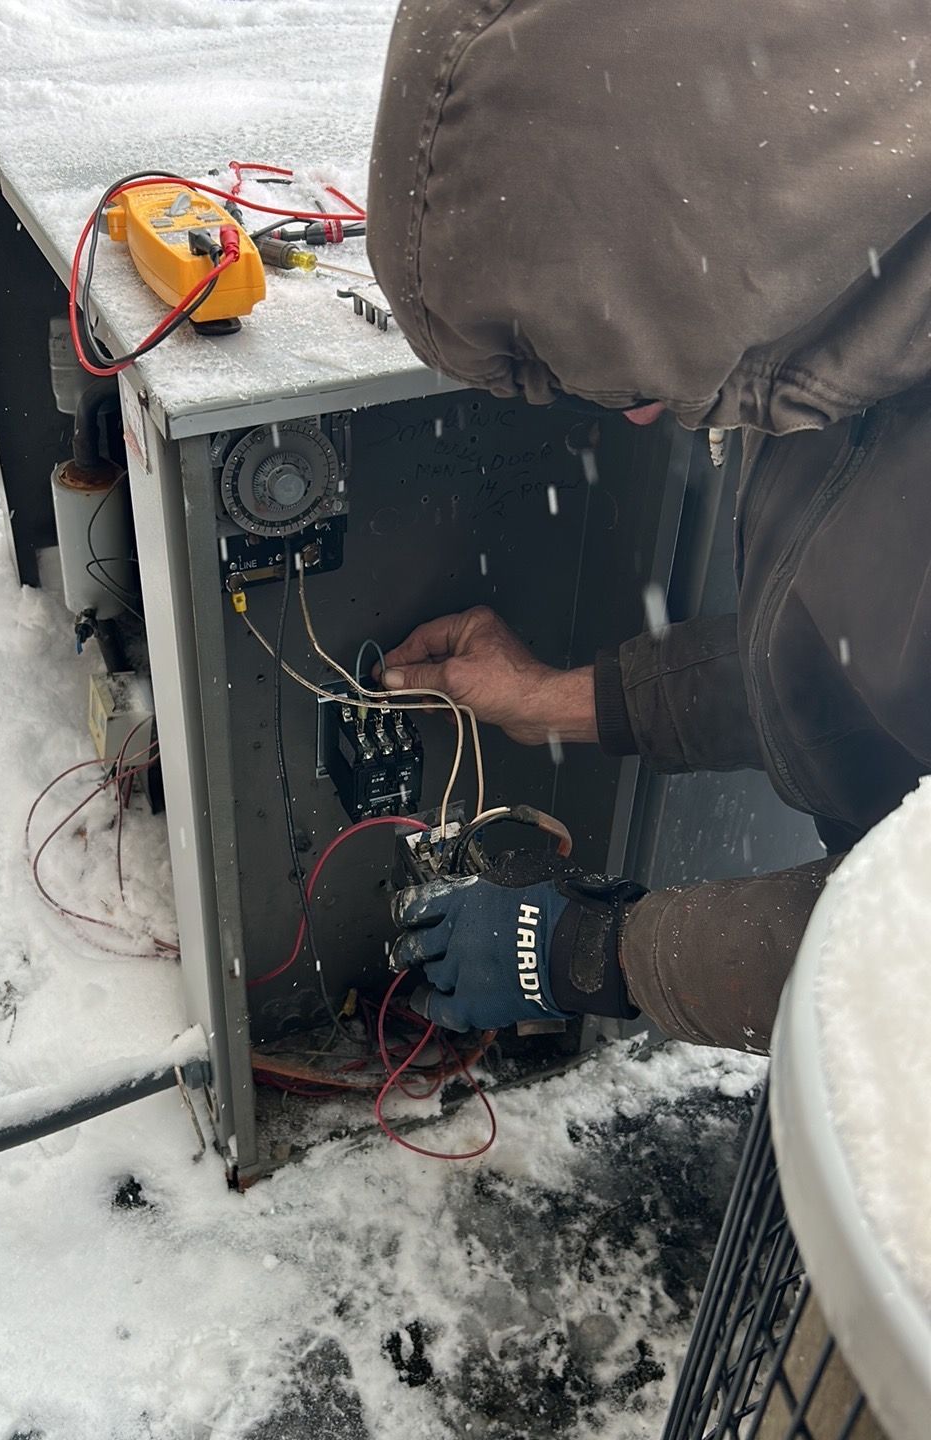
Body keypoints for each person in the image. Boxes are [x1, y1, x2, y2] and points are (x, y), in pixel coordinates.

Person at [365, 0, 931, 1052]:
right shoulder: (853, 286)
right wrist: (565, 704)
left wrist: (595, 951)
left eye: (608, 353)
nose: (630, 414)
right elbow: (851, 659)